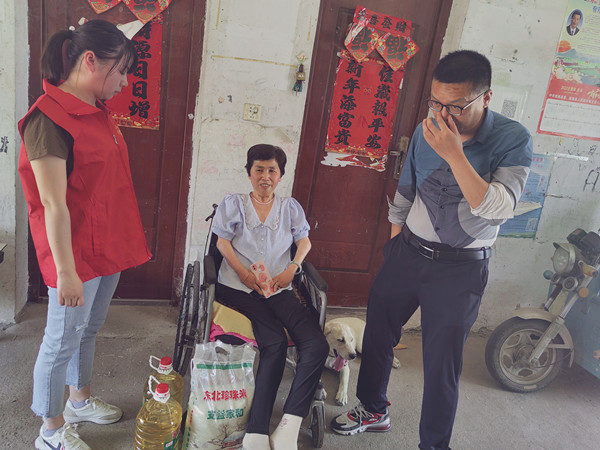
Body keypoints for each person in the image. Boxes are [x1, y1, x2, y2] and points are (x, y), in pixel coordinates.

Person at [331, 50, 533, 449]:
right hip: (408, 252)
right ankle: (373, 409)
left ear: (485, 98)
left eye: (455, 106)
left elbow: (497, 208)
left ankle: (434, 445)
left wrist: (454, 152)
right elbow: (405, 191)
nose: (443, 115)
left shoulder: (513, 139)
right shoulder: (426, 129)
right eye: (436, 103)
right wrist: (395, 247)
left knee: (442, 363)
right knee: (377, 335)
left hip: (460, 270)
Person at [18, 20, 151, 450]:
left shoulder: (96, 112)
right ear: (90, 60)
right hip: (74, 254)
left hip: (106, 244)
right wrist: (66, 272)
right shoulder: (48, 119)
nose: (124, 82)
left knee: (88, 329)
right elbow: (52, 205)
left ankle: (78, 400)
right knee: (60, 341)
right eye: (121, 70)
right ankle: (50, 430)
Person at [212, 144, 329, 450]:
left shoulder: (290, 207)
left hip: (278, 286)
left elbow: (304, 242)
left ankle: (289, 426)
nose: (265, 176)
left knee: (316, 344)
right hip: (239, 288)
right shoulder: (234, 204)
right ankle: (257, 431)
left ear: (281, 175)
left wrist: (292, 268)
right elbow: (222, 243)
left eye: (272, 170)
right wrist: (243, 274)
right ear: (249, 173)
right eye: (259, 170)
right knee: (274, 342)